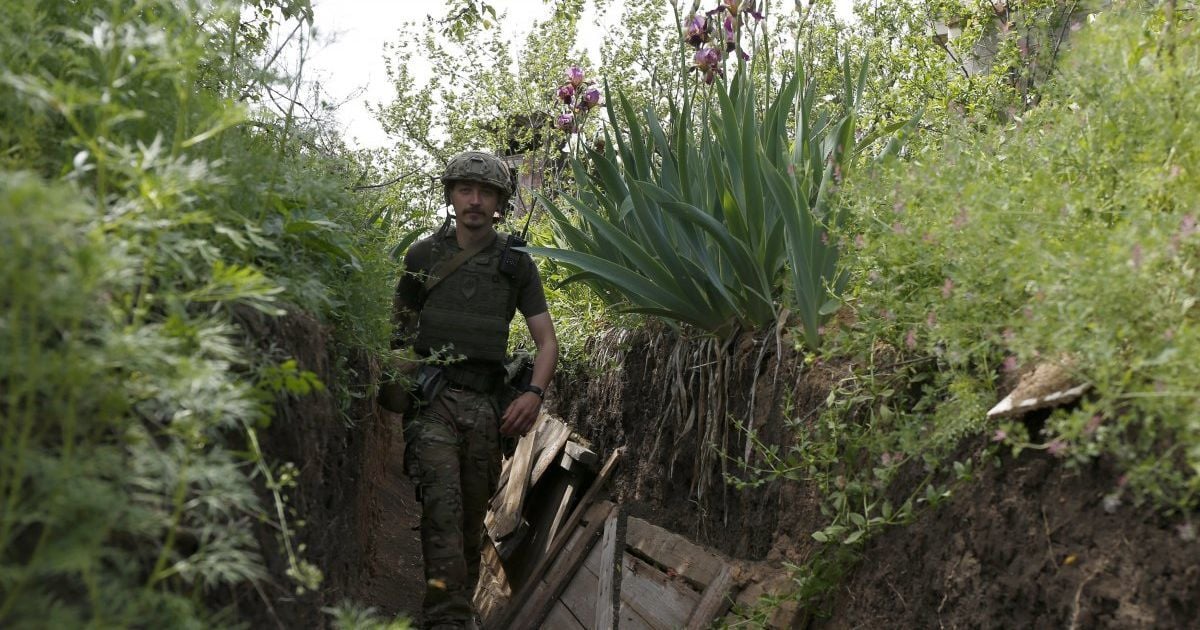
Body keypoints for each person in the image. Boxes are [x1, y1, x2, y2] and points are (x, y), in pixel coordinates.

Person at [391, 150, 558, 629]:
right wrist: (404, 382)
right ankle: (445, 617)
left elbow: (547, 343)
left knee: (468, 518)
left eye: (486, 192)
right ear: (451, 195)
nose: (475, 201)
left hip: (487, 408)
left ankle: (454, 606)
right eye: (466, 189)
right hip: (434, 404)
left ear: (500, 202)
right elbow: (397, 335)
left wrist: (533, 395)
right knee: (441, 509)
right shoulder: (422, 255)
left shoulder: (516, 265)